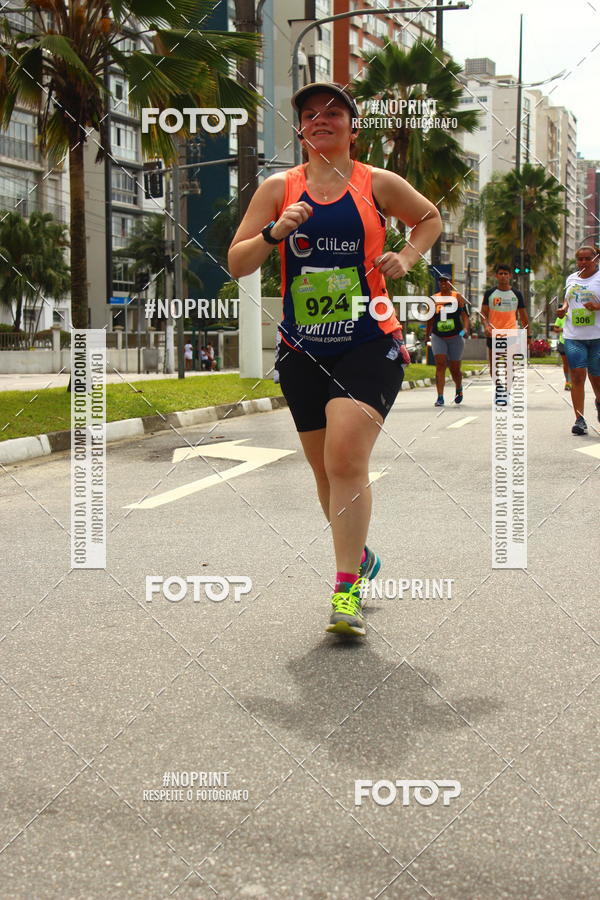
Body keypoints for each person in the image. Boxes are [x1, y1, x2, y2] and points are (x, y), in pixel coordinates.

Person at [228, 82, 441, 637]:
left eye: (333, 114)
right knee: (326, 472)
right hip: (302, 347)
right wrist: (276, 232)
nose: (321, 121)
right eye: (309, 115)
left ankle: (345, 589)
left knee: (347, 460)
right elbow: (236, 262)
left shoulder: (378, 183)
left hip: (370, 340)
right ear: (300, 129)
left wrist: (408, 255)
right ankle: (362, 557)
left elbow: (429, 218)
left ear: (353, 127)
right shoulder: (279, 188)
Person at [557, 245, 600, 435]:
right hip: (574, 336)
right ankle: (579, 419)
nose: (583, 262)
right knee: (577, 376)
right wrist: (564, 307)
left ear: (595, 259)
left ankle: (599, 402)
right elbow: (568, 299)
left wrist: (597, 306)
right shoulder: (571, 278)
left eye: (587, 259)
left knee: (597, 378)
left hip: (597, 336)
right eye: (579, 259)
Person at [480, 263, 530, 399]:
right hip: (493, 333)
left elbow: (524, 317)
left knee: (509, 364)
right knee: (494, 365)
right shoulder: (490, 293)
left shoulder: (516, 294)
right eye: (500, 274)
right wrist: (486, 325)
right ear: (496, 276)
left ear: (510, 276)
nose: (503, 276)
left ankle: (507, 392)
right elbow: (483, 314)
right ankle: (499, 388)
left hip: (511, 333)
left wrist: (528, 335)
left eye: (505, 274)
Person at [425, 275, 470, 406]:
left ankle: (459, 388)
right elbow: (430, 319)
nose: (443, 283)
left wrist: (464, 331)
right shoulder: (434, 299)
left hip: (456, 336)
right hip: (438, 336)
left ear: (451, 283)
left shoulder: (457, 297)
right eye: (441, 281)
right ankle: (440, 397)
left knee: (455, 368)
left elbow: (465, 317)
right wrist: (427, 335)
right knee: (440, 365)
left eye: (446, 281)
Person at [552, 312, 571, 390]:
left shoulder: (574, 315)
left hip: (575, 342)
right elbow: (555, 329)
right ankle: (568, 382)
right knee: (566, 363)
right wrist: (562, 329)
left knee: (573, 364)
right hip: (563, 342)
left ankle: (574, 381)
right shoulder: (561, 317)